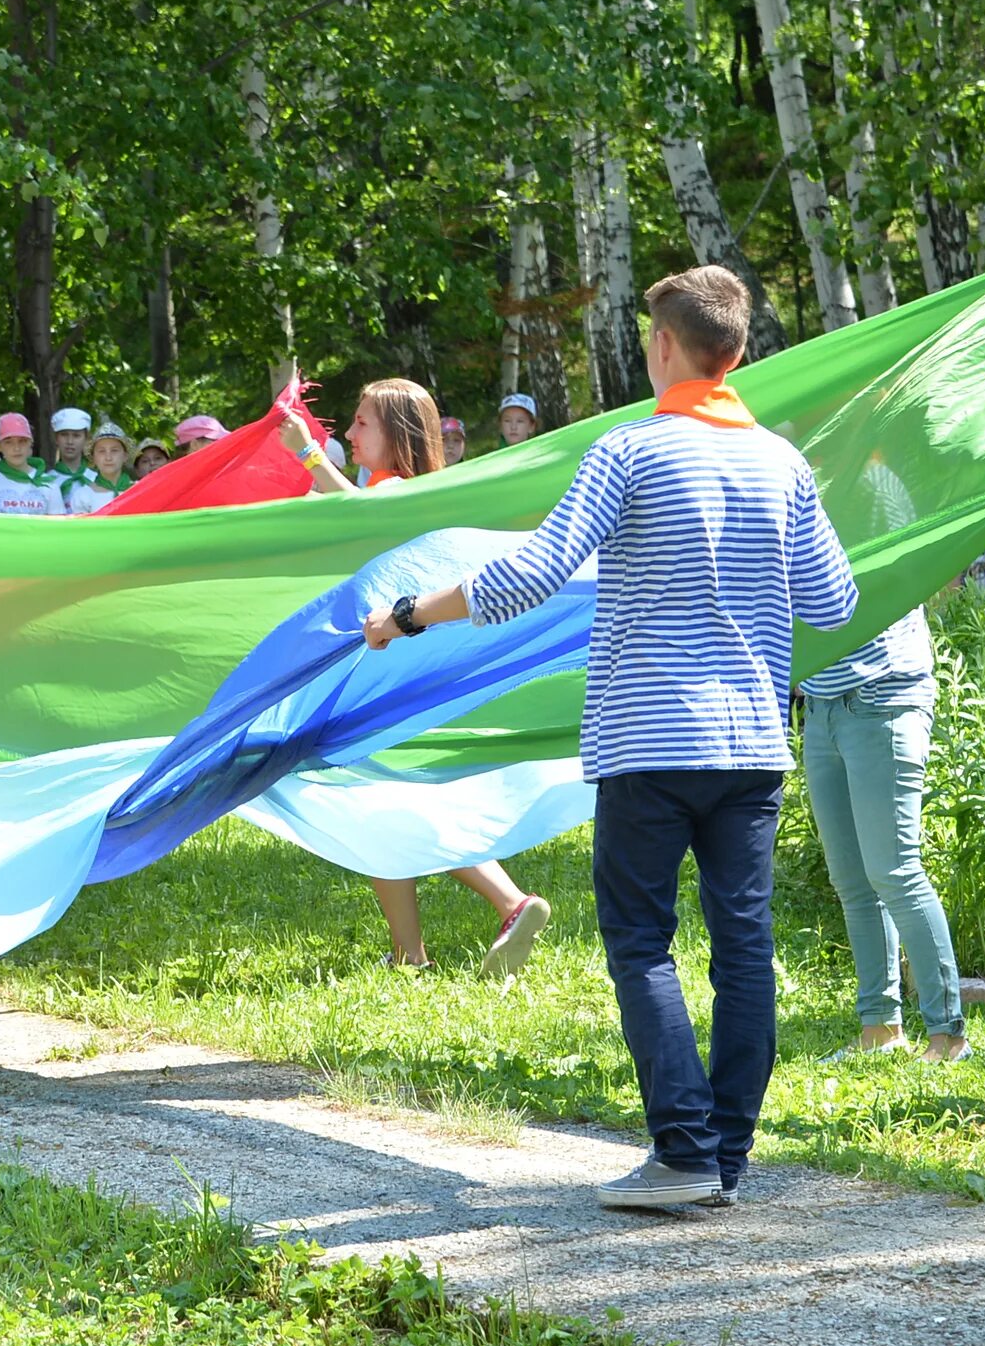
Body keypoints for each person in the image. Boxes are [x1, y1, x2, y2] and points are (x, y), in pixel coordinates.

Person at [357, 266, 859, 1210]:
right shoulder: (783, 463)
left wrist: (408, 613)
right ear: (737, 351)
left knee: (640, 940)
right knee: (743, 945)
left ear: (662, 346)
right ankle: (727, 1159)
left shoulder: (628, 451)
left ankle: (681, 1151)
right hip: (750, 740)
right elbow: (832, 601)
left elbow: (530, 575)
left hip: (646, 740)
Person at [277, 380, 553, 979]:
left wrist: (306, 450)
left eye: (360, 423)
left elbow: (359, 514)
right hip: (391, 663)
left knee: (385, 799)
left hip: (389, 667)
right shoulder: (399, 489)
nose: (349, 434)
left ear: (397, 435)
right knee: (381, 804)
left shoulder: (400, 492)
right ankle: (415, 951)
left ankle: (505, 905)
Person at [799, 451, 963, 1065]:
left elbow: (910, 571)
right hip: (821, 704)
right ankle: (879, 1027)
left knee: (895, 870)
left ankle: (948, 1034)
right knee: (851, 879)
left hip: (885, 694)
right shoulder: (795, 485)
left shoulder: (873, 480)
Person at [0, 413, 65, 516]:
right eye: (8, 442)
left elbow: (57, 528)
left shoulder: (49, 485)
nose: (16, 448)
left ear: (31, 443)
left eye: (22, 441)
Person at [64, 423, 134, 514]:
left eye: (114, 450)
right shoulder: (83, 496)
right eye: (101, 451)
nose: (108, 457)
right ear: (94, 457)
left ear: (125, 455)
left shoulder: (141, 490)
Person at [46, 406, 93, 486]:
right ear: (56, 438)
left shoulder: (96, 479)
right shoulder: (47, 481)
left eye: (76, 435)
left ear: (86, 439)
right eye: (64, 435)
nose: (70, 441)